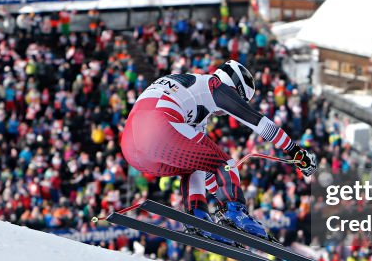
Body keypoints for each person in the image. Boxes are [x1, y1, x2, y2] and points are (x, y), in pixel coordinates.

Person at [120, 60, 317, 240]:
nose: (224, 112)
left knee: (197, 164)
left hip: (131, 145)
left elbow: (207, 171)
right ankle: (235, 212)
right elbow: (259, 123)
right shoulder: (213, 86)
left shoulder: (194, 100)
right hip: (158, 127)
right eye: (239, 99)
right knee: (227, 163)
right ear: (234, 87)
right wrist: (296, 153)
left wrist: (220, 197)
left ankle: (198, 215)